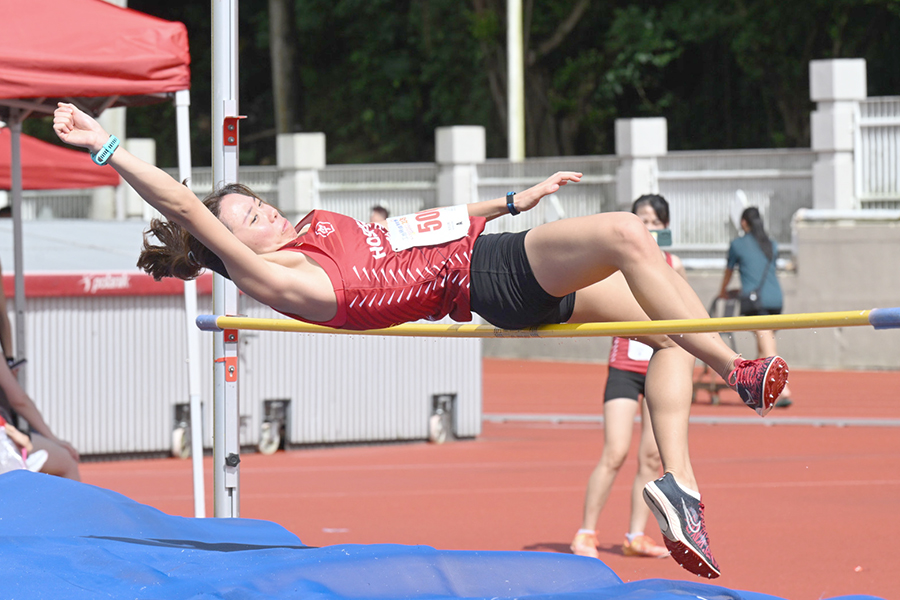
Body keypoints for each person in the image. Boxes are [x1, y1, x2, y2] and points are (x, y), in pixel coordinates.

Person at [54, 102, 789, 579]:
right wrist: (106, 146)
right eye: (248, 219)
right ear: (229, 247)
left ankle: (680, 491)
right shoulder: (281, 279)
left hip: (489, 257)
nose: (268, 216)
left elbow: (409, 229)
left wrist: (507, 202)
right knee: (629, 233)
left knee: (664, 333)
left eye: (261, 204)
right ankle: (740, 371)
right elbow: (182, 201)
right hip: (490, 278)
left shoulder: (318, 229)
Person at [571, 194, 685, 561]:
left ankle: (636, 535)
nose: (647, 229)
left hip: (660, 370)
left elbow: (687, 324)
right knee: (616, 451)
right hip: (624, 368)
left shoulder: (674, 266)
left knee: (652, 458)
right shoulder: (619, 265)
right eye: (641, 222)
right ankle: (586, 531)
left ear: (665, 228)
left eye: (653, 223)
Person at [718, 207, 792, 407]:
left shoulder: (738, 245)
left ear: (743, 223)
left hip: (755, 301)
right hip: (775, 298)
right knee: (764, 342)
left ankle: (781, 387)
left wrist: (723, 291)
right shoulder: (771, 244)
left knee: (766, 343)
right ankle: (762, 388)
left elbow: (729, 272)